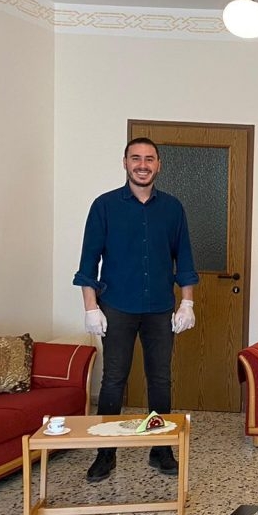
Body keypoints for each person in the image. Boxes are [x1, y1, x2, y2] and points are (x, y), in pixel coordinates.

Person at [73, 137, 198, 482]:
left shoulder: (173, 208)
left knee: (160, 380)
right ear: (125, 162)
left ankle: (161, 450)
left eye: (149, 159)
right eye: (136, 158)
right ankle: (105, 454)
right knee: (113, 380)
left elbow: (184, 259)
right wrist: (90, 307)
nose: (143, 165)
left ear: (159, 165)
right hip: (116, 307)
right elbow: (88, 261)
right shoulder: (104, 206)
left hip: (160, 308)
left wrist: (187, 302)